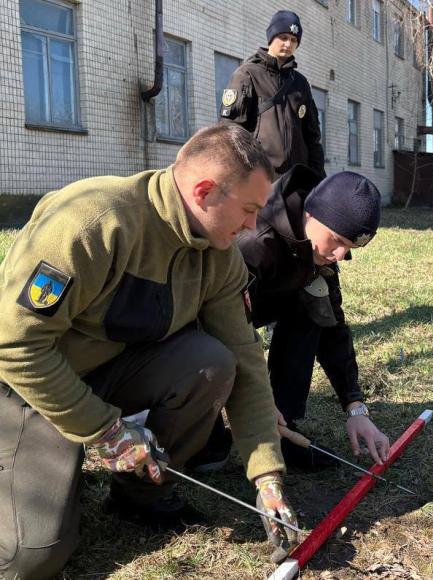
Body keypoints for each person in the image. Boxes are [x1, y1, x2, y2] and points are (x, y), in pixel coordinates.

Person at [0, 124, 297, 580]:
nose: (253, 227)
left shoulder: (219, 254)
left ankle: (139, 495)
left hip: (109, 370)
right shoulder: (93, 223)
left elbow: (245, 358)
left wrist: (267, 477)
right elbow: (16, 344)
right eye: (249, 210)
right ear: (204, 192)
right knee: (30, 557)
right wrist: (105, 429)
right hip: (29, 387)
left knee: (212, 363)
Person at [240, 164, 390, 469]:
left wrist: (355, 406)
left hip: (258, 309)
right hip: (207, 323)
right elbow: (226, 326)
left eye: (348, 247)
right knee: (209, 455)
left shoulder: (319, 249)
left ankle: (284, 425)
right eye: (336, 240)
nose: (339, 255)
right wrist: (257, 398)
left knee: (314, 307)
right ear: (311, 215)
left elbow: (332, 325)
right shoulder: (254, 242)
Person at [220, 10, 325, 179]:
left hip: (297, 181)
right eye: (283, 37)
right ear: (271, 37)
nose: (288, 44)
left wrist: (318, 177)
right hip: (261, 180)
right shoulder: (247, 74)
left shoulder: (300, 83)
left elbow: (312, 138)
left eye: (293, 40)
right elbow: (230, 131)